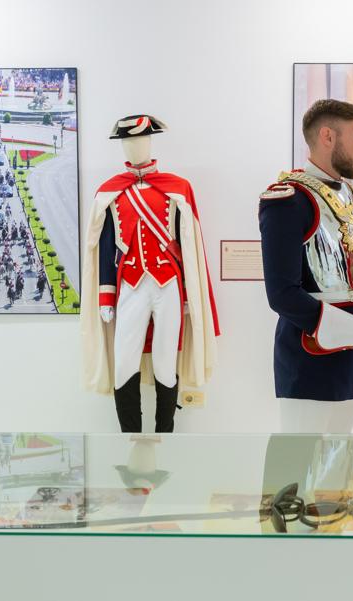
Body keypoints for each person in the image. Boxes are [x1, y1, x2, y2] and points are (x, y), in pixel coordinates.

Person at [258, 99, 353, 433]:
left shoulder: (347, 192)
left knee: (340, 473)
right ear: (328, 137)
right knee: (298, 472)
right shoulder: (287, 199)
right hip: (310, 363)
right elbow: (282, 294)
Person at [81, 115, 220, 433]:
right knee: (124, 360)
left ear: (150, 142)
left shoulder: (177, 188)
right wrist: (106, 293)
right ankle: (129, 435)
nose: (133, 148)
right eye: (127, 142)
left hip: (168, 282)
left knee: (164, 360)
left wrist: (186, 291)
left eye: (139, 141)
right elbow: (104, 246)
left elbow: (187, 245)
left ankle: (163, 433)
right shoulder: (111, 193)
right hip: (130, 282)